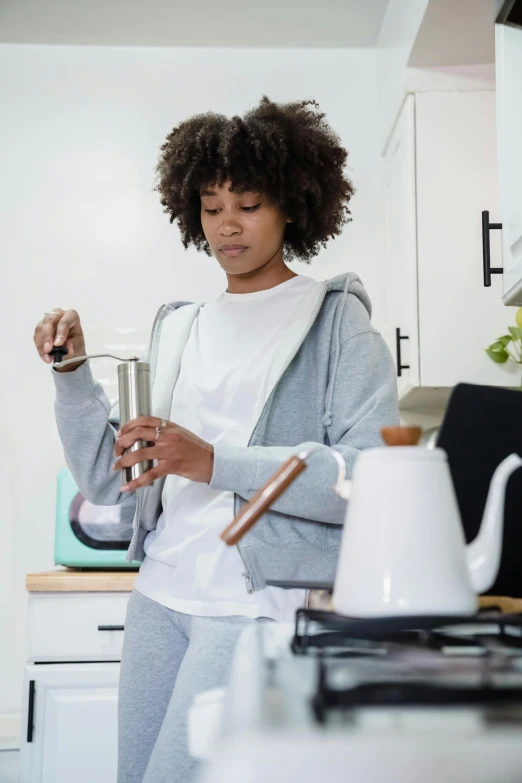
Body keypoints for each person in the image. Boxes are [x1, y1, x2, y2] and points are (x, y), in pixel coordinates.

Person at [33, 96, 399, 783]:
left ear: (293, 203)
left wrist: (212, 460)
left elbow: (370, 478)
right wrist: (73, 376)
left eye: (250, 203)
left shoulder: (337, 324)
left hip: (254, 607)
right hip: (161, 594)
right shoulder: (180, 326)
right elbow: (110, 481)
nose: (227, 225)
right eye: (210, 206)